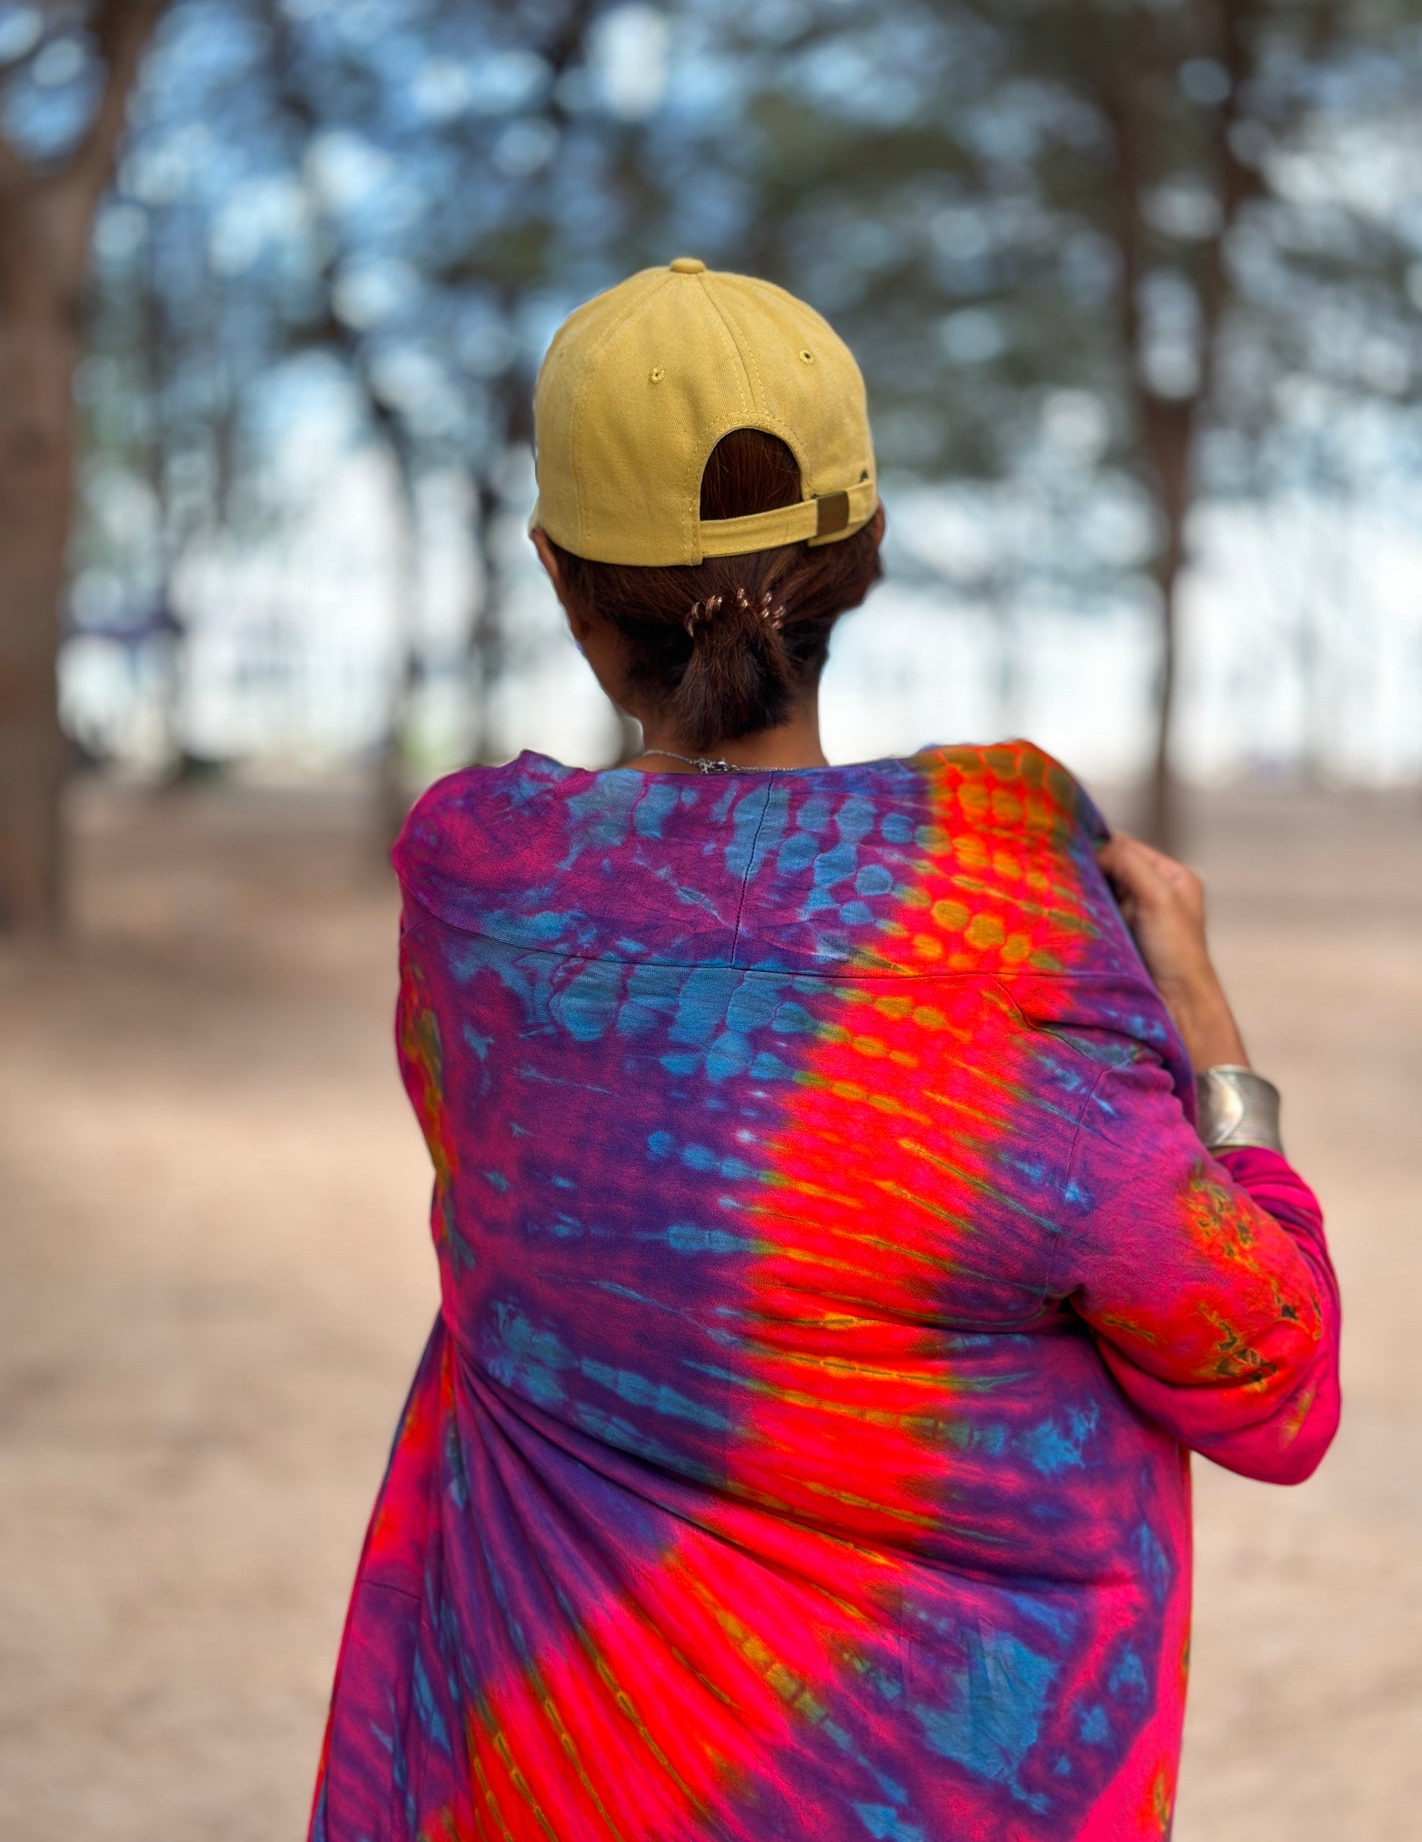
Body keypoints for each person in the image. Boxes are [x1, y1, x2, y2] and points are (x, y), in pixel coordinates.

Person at [309, 260, 1341, 1842]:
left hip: (544, 1777)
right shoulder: (999, 930)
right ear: (863, 553)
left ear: (557, 576)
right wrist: (1203, 1019)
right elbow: (1269, 1383)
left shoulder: (479, 886)